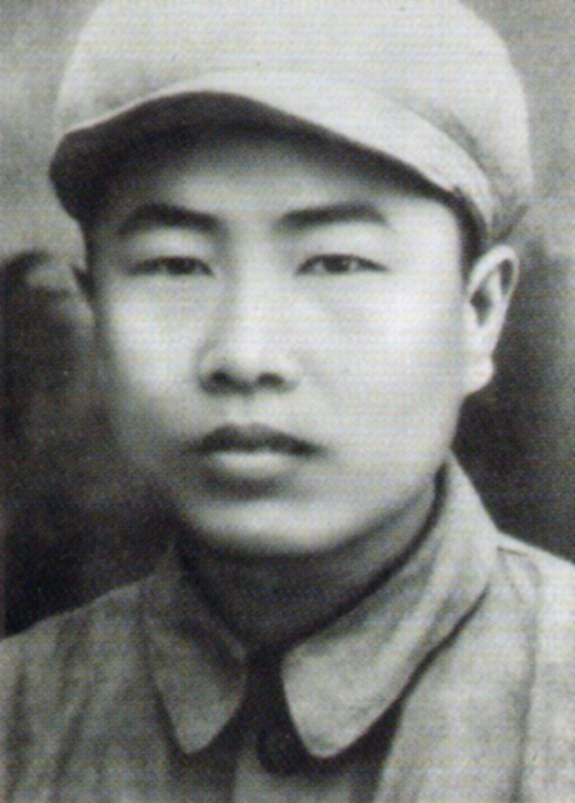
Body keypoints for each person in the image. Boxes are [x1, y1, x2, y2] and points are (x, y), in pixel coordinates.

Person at [1, 0, 574, 799]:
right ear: (97, 312)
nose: (245, 355)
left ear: (476, 313)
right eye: (175, 265)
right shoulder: (20, 717)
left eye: (336, 263)